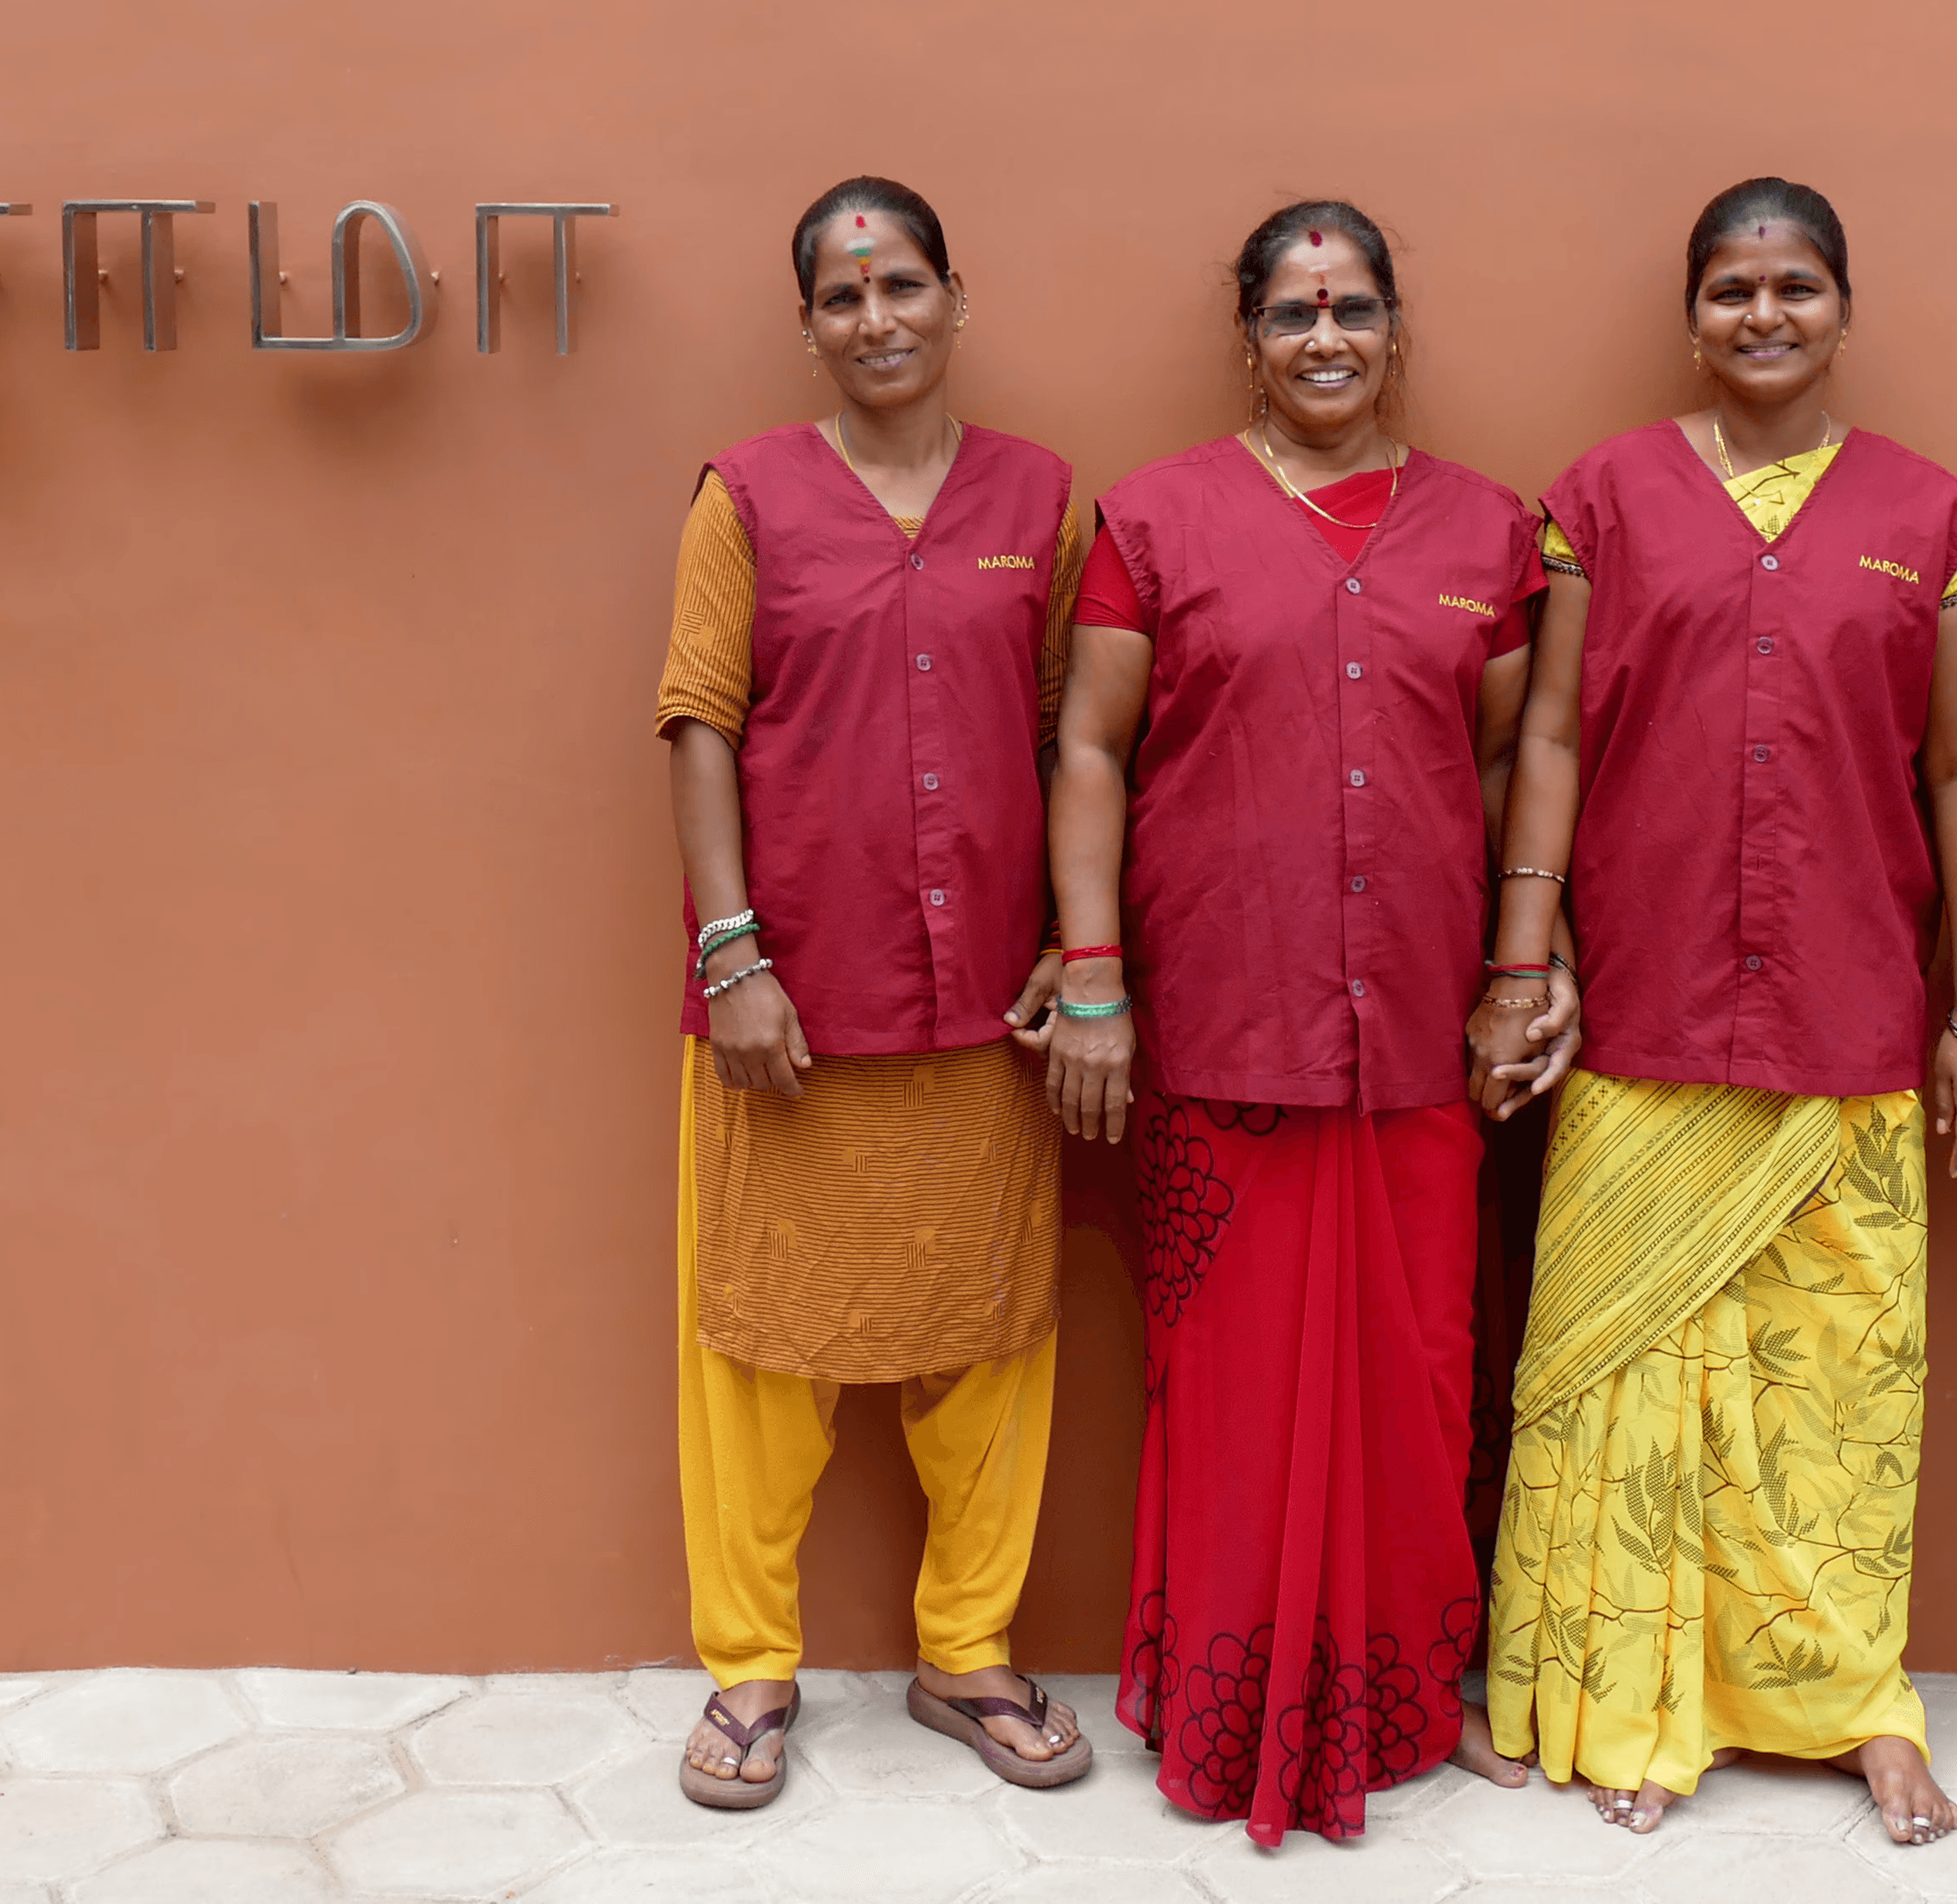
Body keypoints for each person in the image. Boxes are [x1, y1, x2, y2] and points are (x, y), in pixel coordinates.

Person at [1473, 176, 1957, 1848]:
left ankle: (1853, 1701)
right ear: (1691, 314)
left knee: (1836, 1392)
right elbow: (1549, 736)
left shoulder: (1935, 524)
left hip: (1847, 1015)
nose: (1761, 316)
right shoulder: (1602, 502)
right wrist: (1518, 956)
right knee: (1616, 1368)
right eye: (1729, 289)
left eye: (1791, 286)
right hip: (1637, 1007)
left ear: (1840, 307)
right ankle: (1631, 1692)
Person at [1040, 199, 1544, 1846]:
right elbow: (1092, 751)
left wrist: (1516, 967)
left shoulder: (1484, 534)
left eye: (1349, 310)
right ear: (1246, 337)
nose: (1322, 339)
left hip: (1409, 1027)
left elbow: (1491, 766)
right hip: (1221, 1027)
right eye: (1289, 313)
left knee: (1413, 1367)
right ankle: (1228, 1696)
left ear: (1396, 329)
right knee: (1237, 1381)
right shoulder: (1154, 522)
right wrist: (1095, 973)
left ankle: (1406, 1681)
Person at [654, 178, 1092, 1806]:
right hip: (793, 1007)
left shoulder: (1039, 497)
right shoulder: (747, 495)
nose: (877, 320)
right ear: (808, 327)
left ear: (954, 298)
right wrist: (734, 953)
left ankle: (965, 1651)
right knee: (761, 1343)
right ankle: (748, 1669)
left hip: (986, 999)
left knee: (989, 1336)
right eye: (843, 299)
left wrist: (1074, 941)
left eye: (902, 286)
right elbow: (699, 720)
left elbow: (1072, 739)